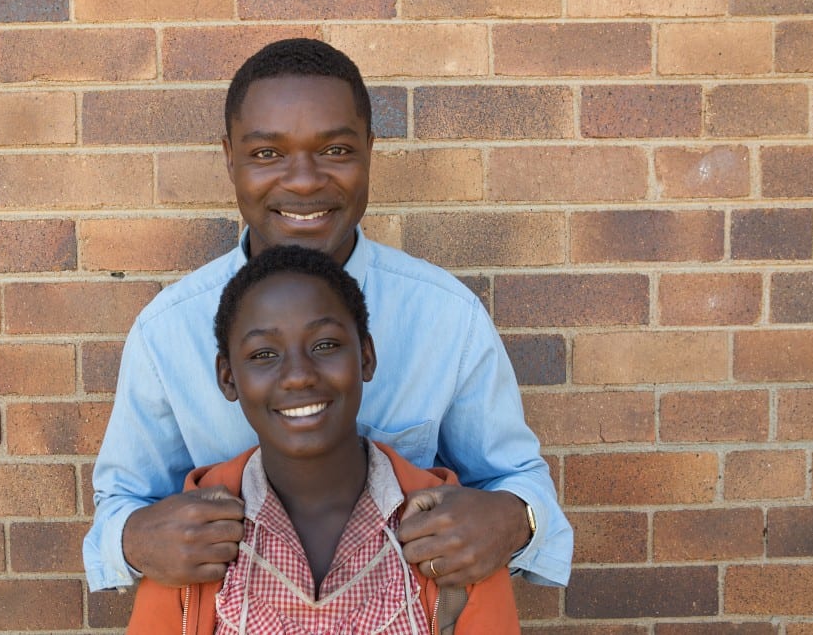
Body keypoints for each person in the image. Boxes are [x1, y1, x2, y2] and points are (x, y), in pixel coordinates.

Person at [83, 38, 572, 595]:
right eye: (267, 154)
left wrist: (514, 520)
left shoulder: (446, 317)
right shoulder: (167, 331)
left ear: (369, 149)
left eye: (335, 150)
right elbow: (121, 504)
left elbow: (517, 480)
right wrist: (134, 539)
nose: (304, 180)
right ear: (229, 158)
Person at [127, 244, 520, 633]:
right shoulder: (191, 540)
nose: (298, 375)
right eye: (264, 354)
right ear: (228, 377)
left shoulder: (454, 534)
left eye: (326, 345)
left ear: (366, 357)